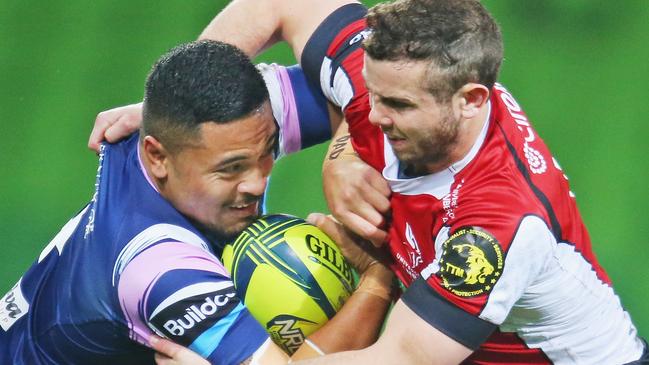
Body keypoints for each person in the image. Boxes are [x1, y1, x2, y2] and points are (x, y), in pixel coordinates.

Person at [134, 0, 649, 363]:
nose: (373, 119)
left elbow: (394, 356)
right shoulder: (407, 80)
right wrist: (177, 113)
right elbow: (284, 1)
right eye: (373, 95)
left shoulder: (495, 226)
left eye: (398, 106)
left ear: (471, 100)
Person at [0, 40, 395, 364]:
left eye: (268, 151)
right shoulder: (159, 266)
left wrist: (343, 157)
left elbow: (372, 83)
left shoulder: (201, 128)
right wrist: (380, 279)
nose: (258, 182)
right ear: (158, 157)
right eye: (231, 169)